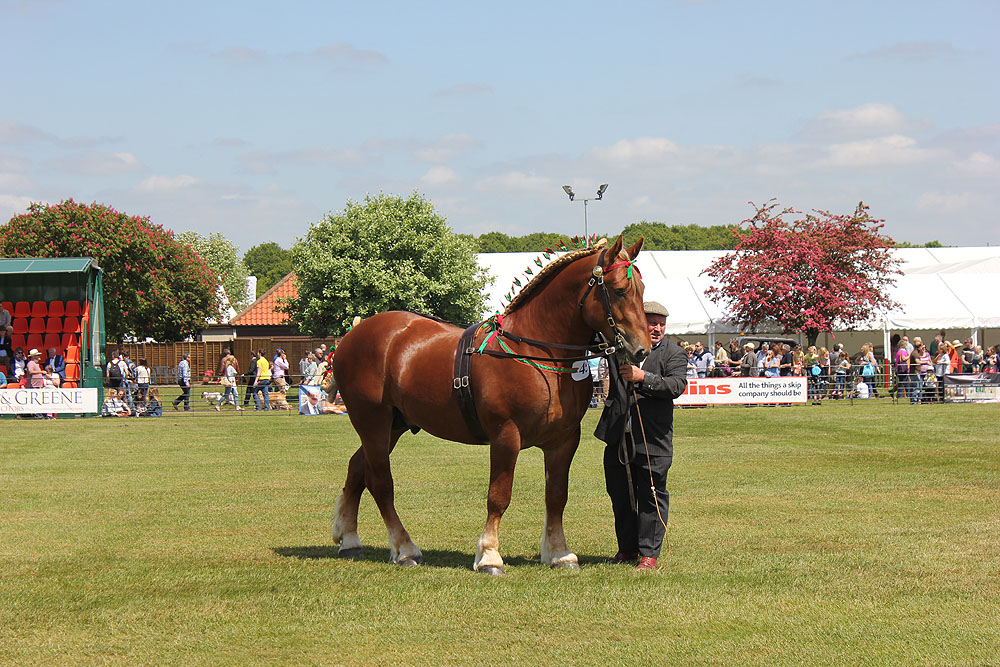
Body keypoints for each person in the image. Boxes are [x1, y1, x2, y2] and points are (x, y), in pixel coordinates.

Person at [596, 300, 688, 572]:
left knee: (650, 495)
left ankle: (649, 554)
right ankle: (627, 548)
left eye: (662, 324)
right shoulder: (620, 349)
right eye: (652, 322)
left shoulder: (674, 353)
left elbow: (676, 385)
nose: (657, 328)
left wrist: (642, 376)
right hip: (618, 438)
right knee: (620, 495)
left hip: (653, 439)